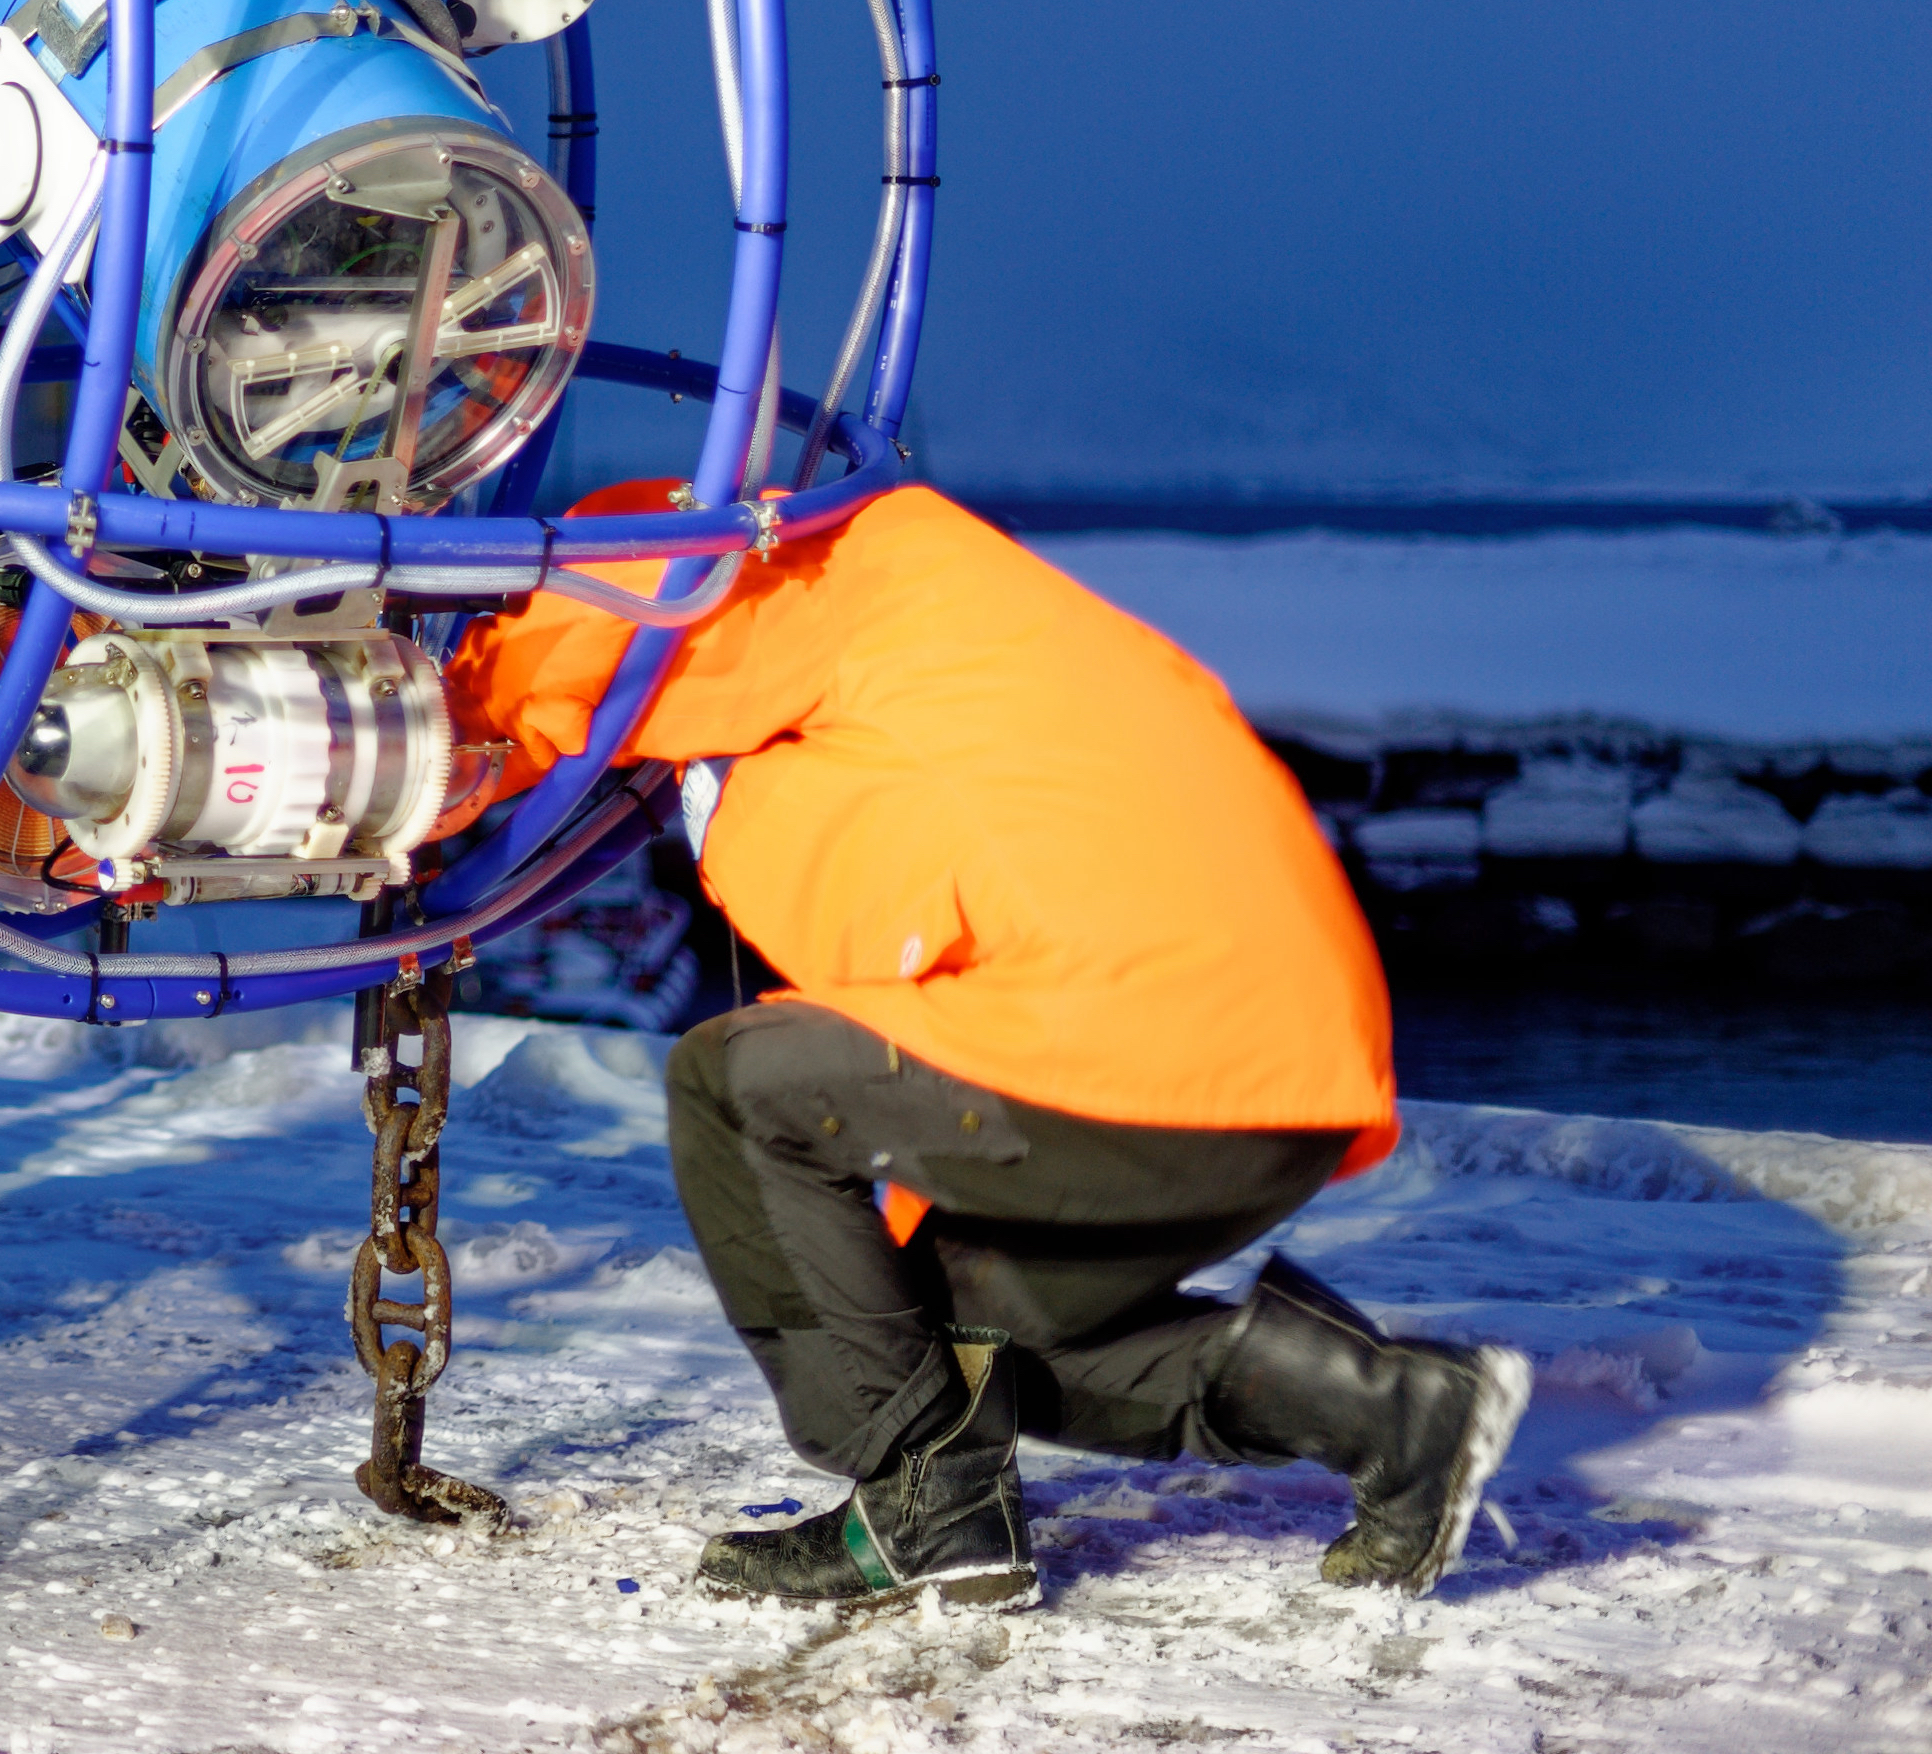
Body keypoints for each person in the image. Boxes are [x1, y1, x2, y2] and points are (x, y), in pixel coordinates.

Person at [445, 480, 1528, 1614]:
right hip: (1270, 1081)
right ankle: (1392, 1415)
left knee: (733, 1084)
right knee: (959, 1348)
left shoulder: (817, 580)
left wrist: (434, 714)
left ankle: (927, 1504)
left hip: (1133, 1041)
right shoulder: (955, 642)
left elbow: (601, 626)